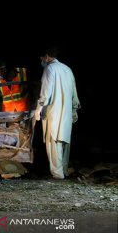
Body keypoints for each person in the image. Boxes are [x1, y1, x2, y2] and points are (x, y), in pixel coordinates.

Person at [34, 46, 80, 179]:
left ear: (47, 56)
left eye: (42, 58)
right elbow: (74, 92)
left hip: (53, 111)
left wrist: (38, 109)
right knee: (64, 141)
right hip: (66, 111)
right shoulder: (67, 69)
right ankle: (64, 170)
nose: (42, 61)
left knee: (53, 141)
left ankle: (57, 173)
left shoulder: (50, 69)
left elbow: (46, 92)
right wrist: (74, 109)